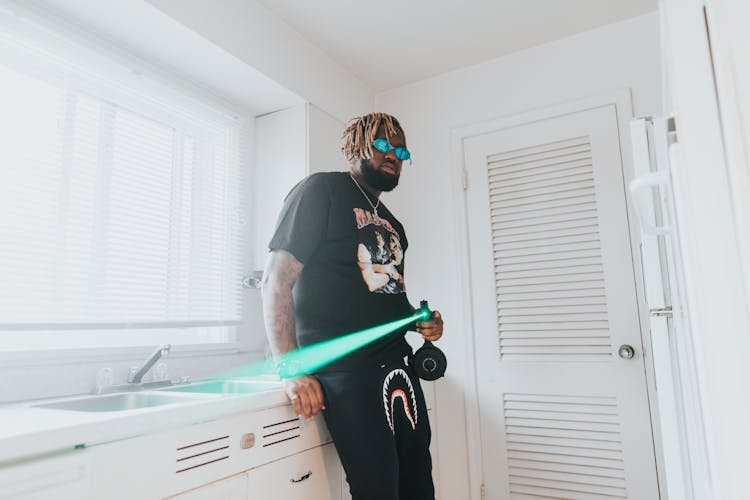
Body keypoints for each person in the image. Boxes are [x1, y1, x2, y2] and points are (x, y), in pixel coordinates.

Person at [261, 112, 444, 500]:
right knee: (377, 490)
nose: (393, 154)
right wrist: (290, 369)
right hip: (348, 374)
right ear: (354, 147)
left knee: (418, 487)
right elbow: (276, 280)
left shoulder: (394, 224)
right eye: (382, 145)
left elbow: (387, 295)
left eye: (400, 149)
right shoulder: (319, 191)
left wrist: (420, 323)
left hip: (400, 366)